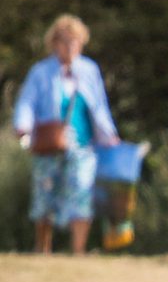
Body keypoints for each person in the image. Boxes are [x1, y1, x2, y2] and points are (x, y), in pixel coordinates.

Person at [13, 14, 121, 255]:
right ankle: (43, 249)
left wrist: (110, 135)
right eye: (64, 41)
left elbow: (100, 106)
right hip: (48, 145)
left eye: (75, 41)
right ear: (54, 43)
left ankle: (78, 251)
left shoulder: (89, 70)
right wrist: (23, 126)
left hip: (83, 146)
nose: (70, 46)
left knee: (82, 192)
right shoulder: (41, 72)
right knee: (45, 196)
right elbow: (26, 103)